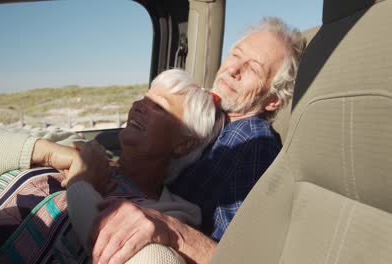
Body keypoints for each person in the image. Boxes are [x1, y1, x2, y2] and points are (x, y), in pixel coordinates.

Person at [0, 69, 225, 261]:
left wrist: (80, 183)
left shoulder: (172, 215)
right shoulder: (71, 143)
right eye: (143, 97)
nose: (139, 105)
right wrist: (52, 154)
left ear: (183, 144)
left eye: (158, 106)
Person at [87, 17, 306, 264]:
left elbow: (240, 255)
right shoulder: (217, 122)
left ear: (273, 100)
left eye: (254, 69)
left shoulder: (252, 143)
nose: (233, 70)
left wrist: (171, 230)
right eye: (236, 55)